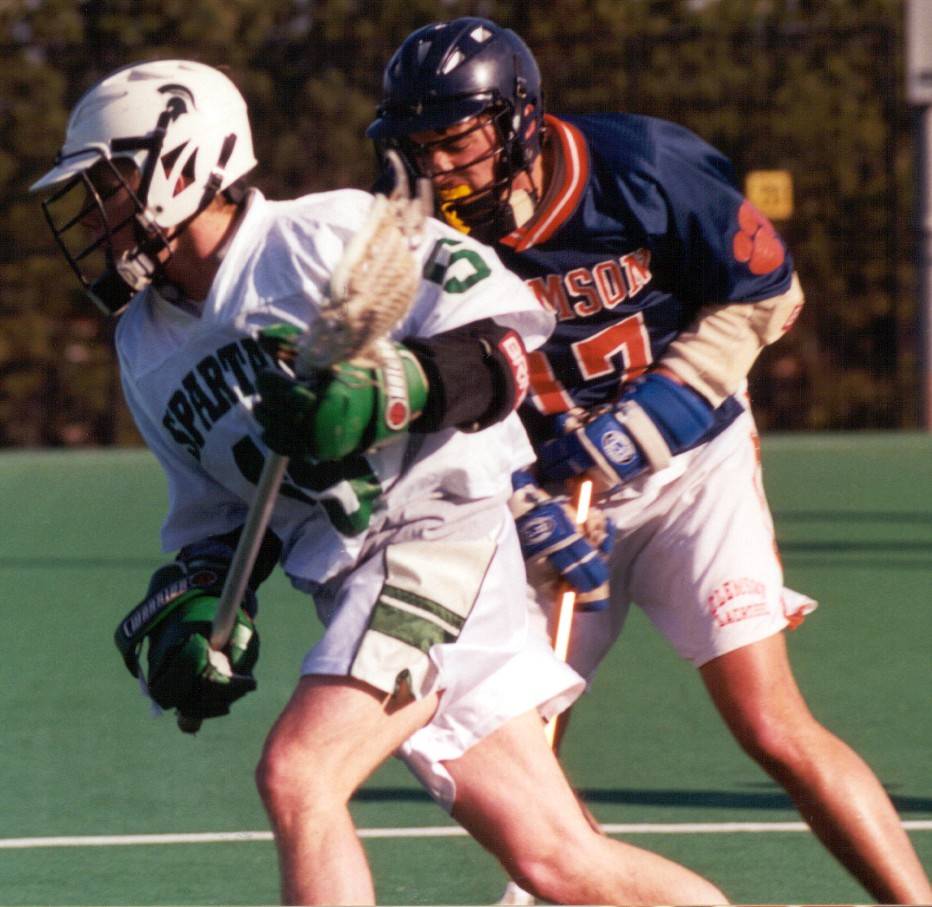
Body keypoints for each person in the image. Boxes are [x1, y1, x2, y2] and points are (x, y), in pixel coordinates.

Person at [30, 59, 730, 906]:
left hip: (434, 538)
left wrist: (388, 391)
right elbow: (219, 514)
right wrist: (205, 599)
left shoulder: (326, 236)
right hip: (350, 575)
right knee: (558, 859)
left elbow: (505, 342)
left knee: (299, 774)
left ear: (182, 164)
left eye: (108, 187)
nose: (92, 215)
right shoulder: (144, 344)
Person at [368, 17, 932, 906]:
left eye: (456, 139)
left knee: (770, 723)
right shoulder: (409, 232)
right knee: (527, 752)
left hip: (691, 471)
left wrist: (648, 422)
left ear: (518, 119)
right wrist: (519, 499)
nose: (437, 165)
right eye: (418, 144)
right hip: (550, 493)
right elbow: (426, 400)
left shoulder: (642, 166)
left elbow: (769, 295)